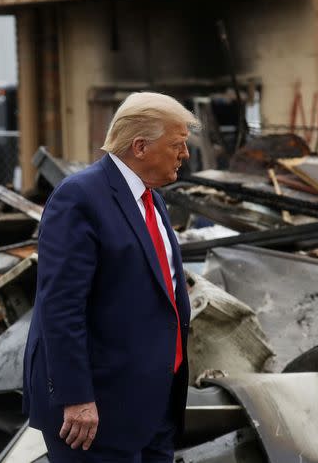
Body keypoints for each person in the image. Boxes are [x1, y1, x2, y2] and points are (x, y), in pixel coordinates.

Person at [23, 92, 198, 462]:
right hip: (96, 412)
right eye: (177, 144)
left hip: (153, 405)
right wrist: (76, 396)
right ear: (140, 147)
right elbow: (61, 305)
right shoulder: (80, 197)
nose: (185, 154)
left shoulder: (152, 199)